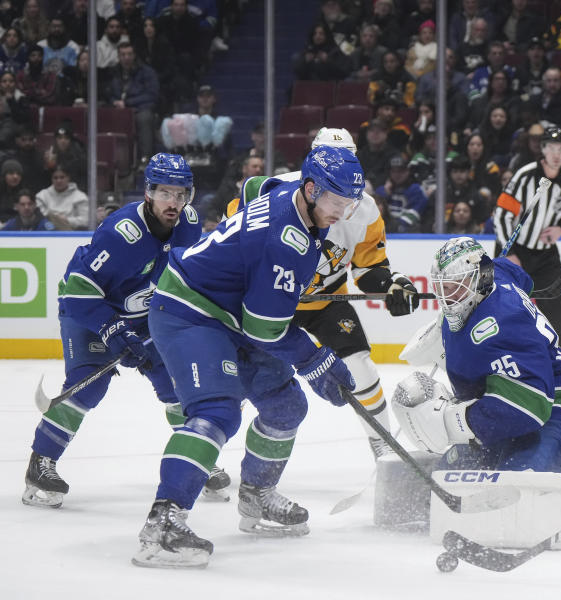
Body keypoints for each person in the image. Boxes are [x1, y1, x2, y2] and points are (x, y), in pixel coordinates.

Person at [133, 146, 362, 568]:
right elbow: (265, 329)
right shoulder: (285, 241)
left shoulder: (293, 191)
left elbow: (258, 186)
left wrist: (263, 271)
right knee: (218, 412)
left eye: (350, 205)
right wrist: (317, 360)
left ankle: (256, 496)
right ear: (311, 189)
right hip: (190, 310)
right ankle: (162, 525)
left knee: (286, 405)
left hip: (231, 312)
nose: (342, 214)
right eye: (336, 202)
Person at [21, 154, 230, 510]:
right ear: (148, 192)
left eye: (182, 194)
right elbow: (78, 288)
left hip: (146, 313)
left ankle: (197, 456)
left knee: (178, 385)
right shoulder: (122, 233)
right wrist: (111, 328)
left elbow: (190, 272)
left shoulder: (190, 222)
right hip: (90, 307)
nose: (175, 203)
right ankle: (41, 464)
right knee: (89, 383)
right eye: (166, 193)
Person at [226, 128, 422, 464]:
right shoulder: (279, 192)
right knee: (241, 378)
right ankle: (210, 442)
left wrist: (393, 283)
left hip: (325, 300)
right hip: (273, 299)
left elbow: (368, 268)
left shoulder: (366, 209)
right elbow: (234, 232)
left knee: (361, 366)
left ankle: (383, 447)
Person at [391, 236, 561, 474]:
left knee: (509, 488)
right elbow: (511, 270)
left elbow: (530, 406)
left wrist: (453, 421)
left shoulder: (504, 321)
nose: (445, 297)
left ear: (479, 279)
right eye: (440, 286)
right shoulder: (495, 277)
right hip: (504, 413)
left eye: (453, 286)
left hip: (556, 414)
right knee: (445, 476)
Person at [492, 126, 561, 348]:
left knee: (558, 307)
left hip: (545, 256)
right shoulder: (525, 176)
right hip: (513, 250)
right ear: (542, 149)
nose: (556, 154)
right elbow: (501, 214)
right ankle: (496, 353)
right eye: (551, 147)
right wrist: (508, 252)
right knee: (502, 306)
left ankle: (557, 359)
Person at [35, 165, 89, 230]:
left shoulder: (80, 197)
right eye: (55, 178)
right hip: (47, 233)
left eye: (62, 177)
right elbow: (39, 218)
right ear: (51, 179)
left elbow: (86, 220)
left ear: (68, 178)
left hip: (72, 235)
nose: (59, 181)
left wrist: (66, 220)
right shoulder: (42, 196)